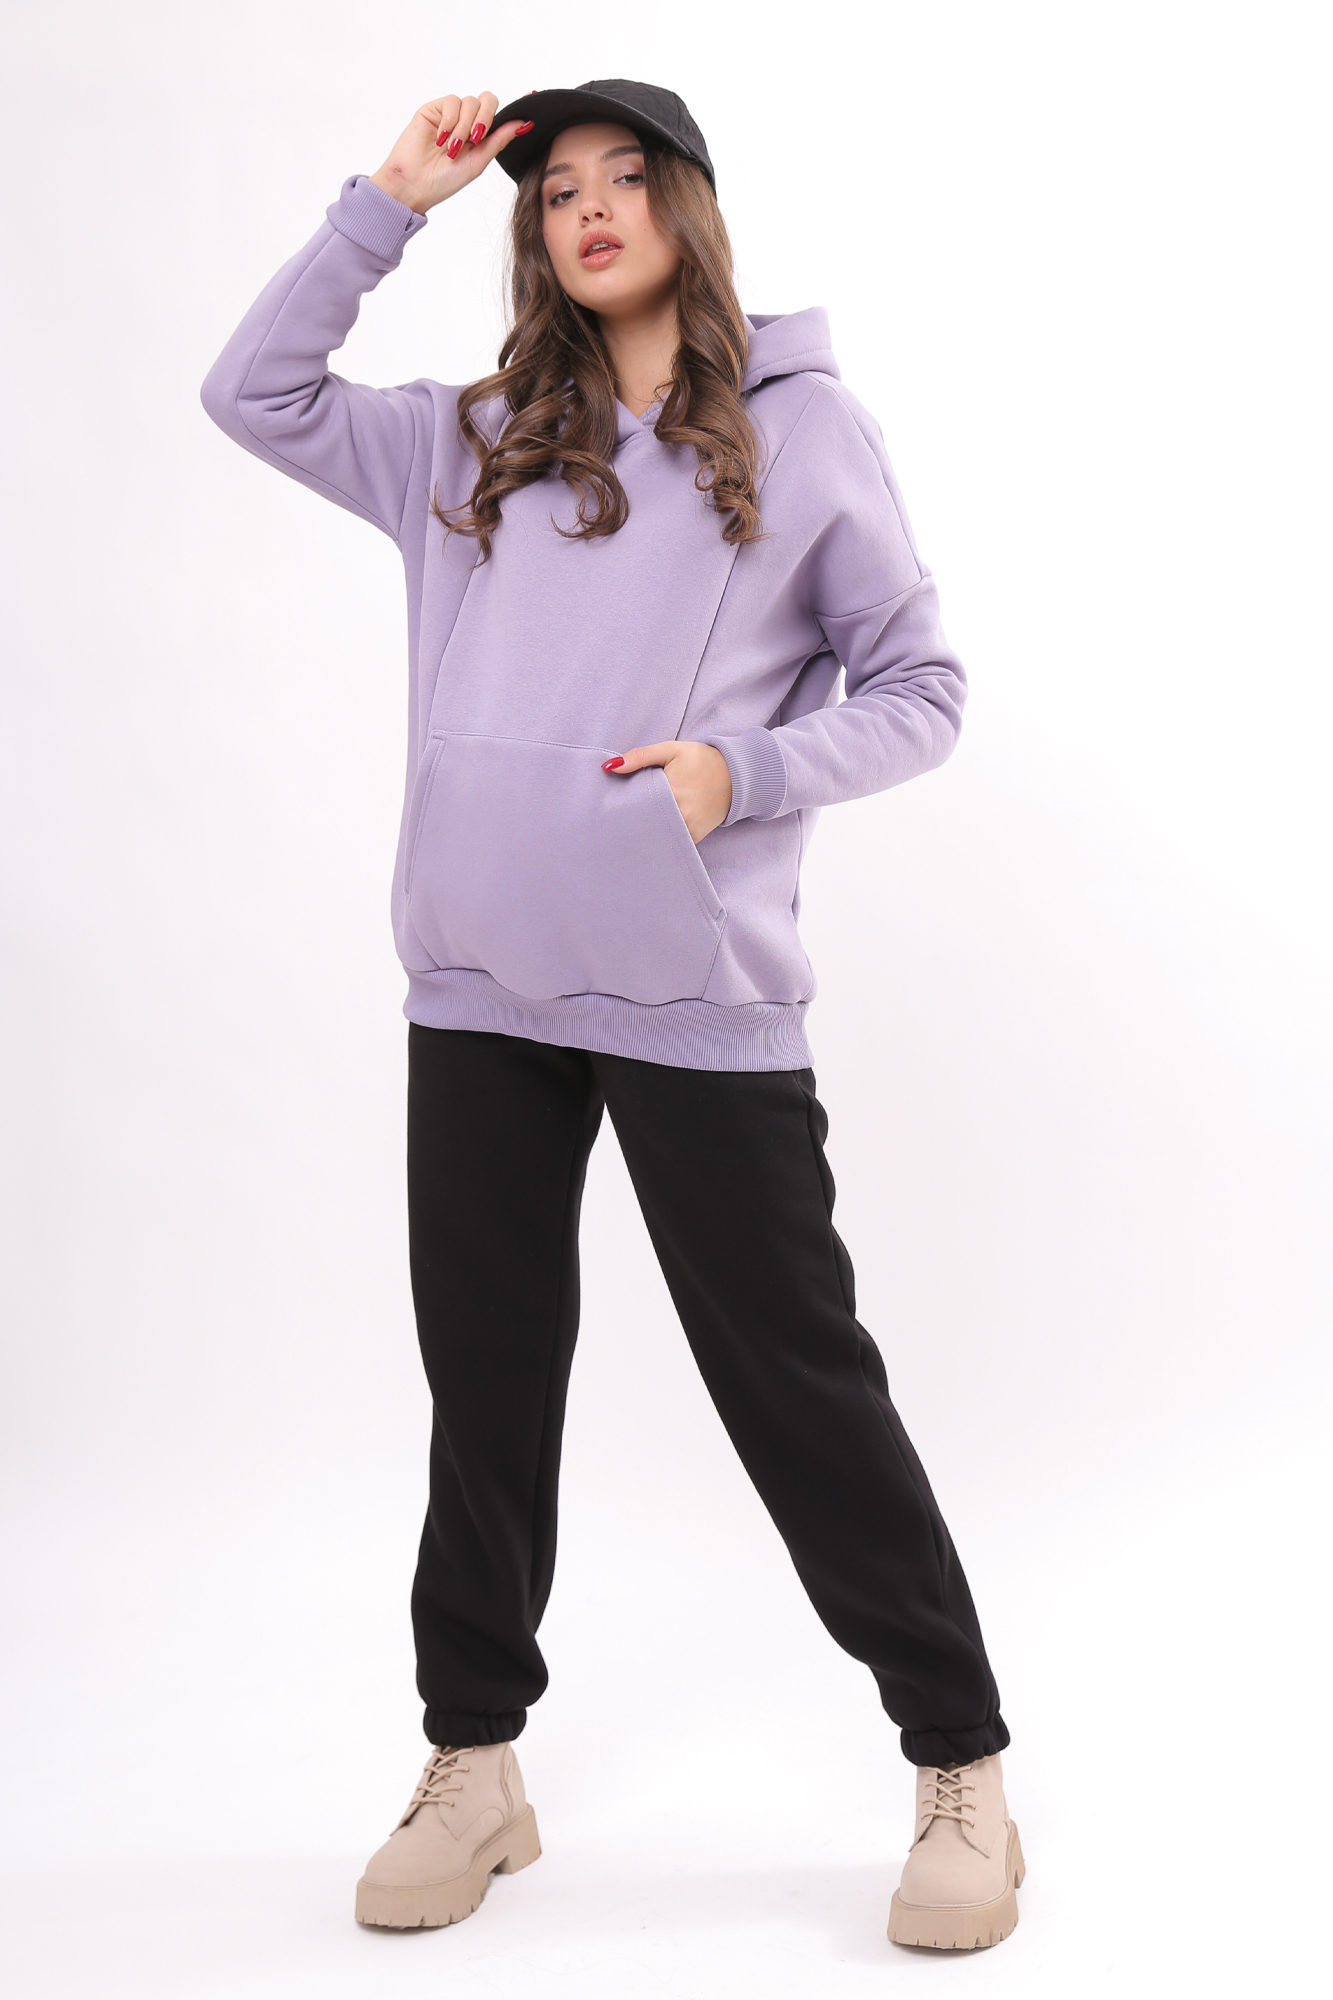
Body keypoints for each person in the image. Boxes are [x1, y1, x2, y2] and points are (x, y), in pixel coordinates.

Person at [201, 77, 1023, 1954]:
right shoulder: (475, 441)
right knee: (485, 1387)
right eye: (555, 187)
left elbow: (921, 685)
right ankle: (474, 1761)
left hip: (694, 995)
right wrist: (385, 201)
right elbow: (253, 394)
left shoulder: (801, 434)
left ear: (686, 207)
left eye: (623, 178)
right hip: (477, 985)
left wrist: (745, 772)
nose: (585, 208)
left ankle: (960, 1763)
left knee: (796, 1388)